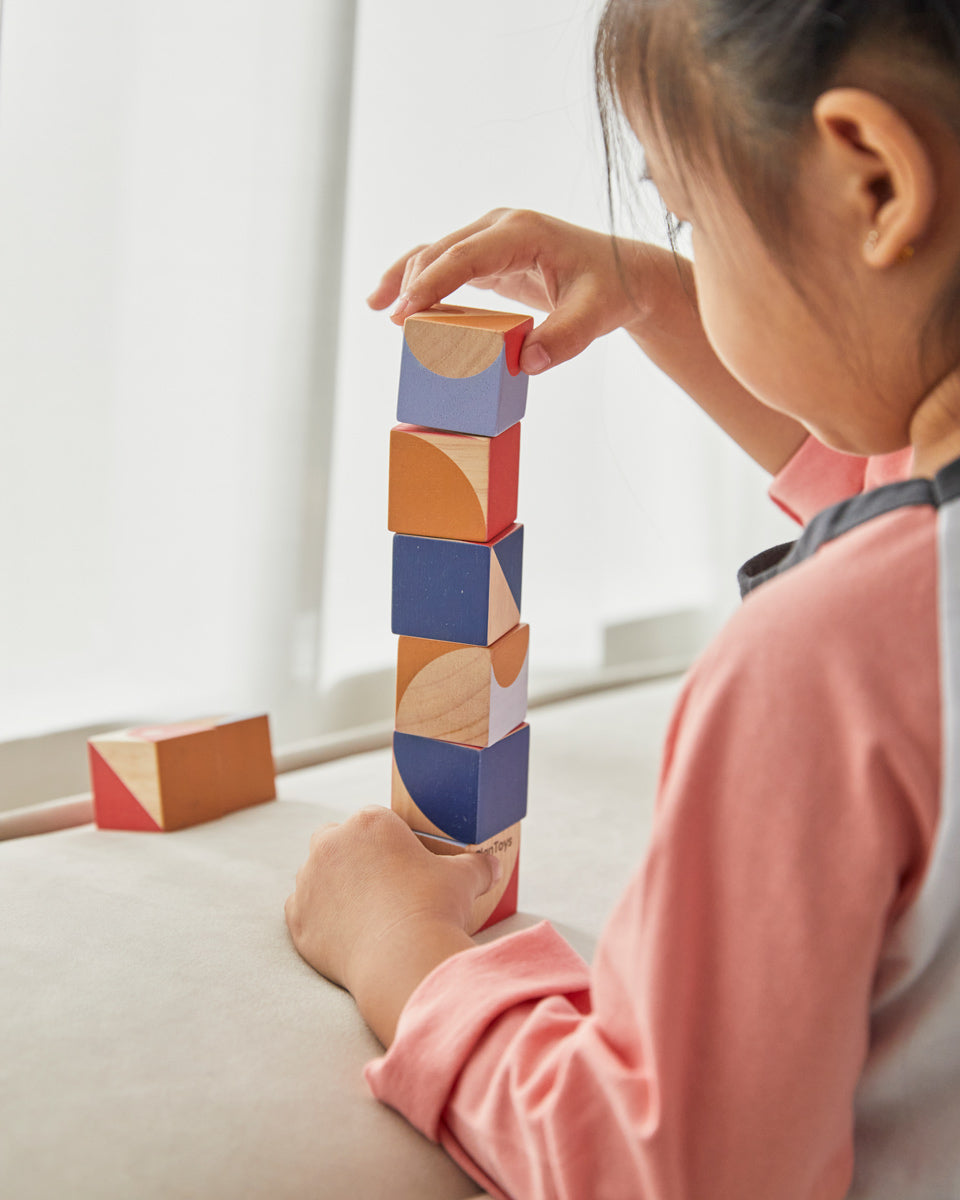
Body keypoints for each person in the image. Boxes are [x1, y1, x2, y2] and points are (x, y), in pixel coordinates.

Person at [285, 1, 960, 1195]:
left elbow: (667, 1165)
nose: (684, 248)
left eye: (688, 215)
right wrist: (657, 289)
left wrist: (410, 955)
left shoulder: (819, 662)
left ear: (875, 186)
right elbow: (902, 492)